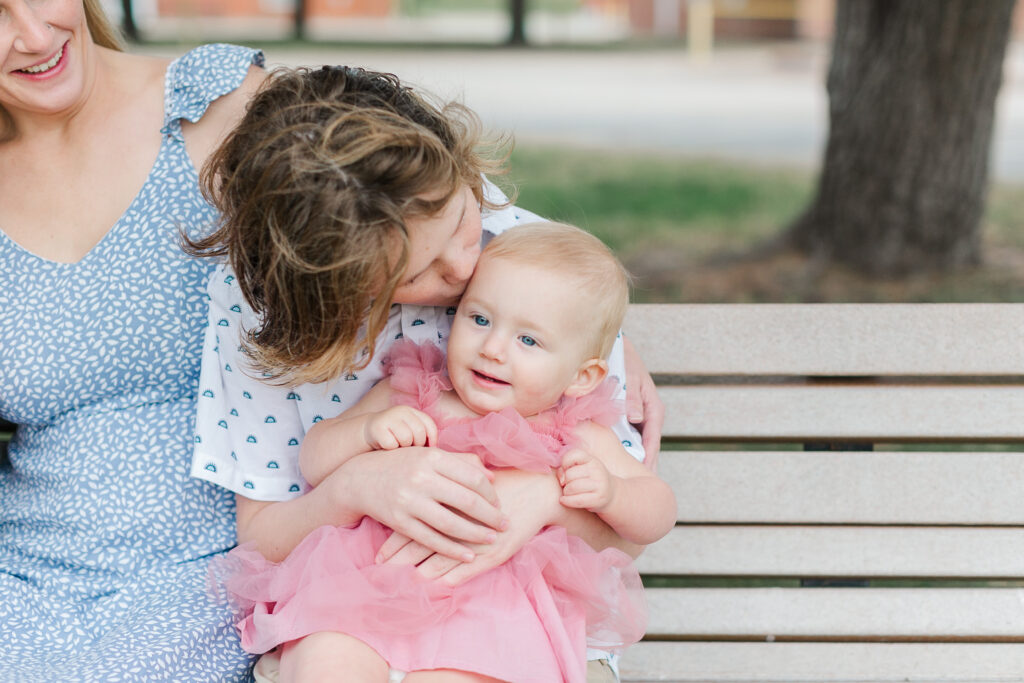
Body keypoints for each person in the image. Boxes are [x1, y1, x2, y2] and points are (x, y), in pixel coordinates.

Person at [187, 66, 665, 682]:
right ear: (337, 297)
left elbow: (625, 538)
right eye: (416, 276)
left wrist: (546, 497)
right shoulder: (262, 317)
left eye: (463, 220)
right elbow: (263, 538)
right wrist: (357, 485)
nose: (470, 266)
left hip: (507, 615)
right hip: (358, 598)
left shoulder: (537, 264)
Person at [216, 221, 678, 682]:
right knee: (327, 662)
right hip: (367, 588)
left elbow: (658, 511)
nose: (493, 348)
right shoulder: (416, 391)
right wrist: (368, 433)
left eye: (528, 340)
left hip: (494, 613)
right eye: (479, 319)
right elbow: (315, 457)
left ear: (582, 377)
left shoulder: (578, 434)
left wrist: (613, 494)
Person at [0, 0, 267, 676]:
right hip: (22, 580)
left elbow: (463, 253)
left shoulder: (219, 106)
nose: (33, 36)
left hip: (216, 569)